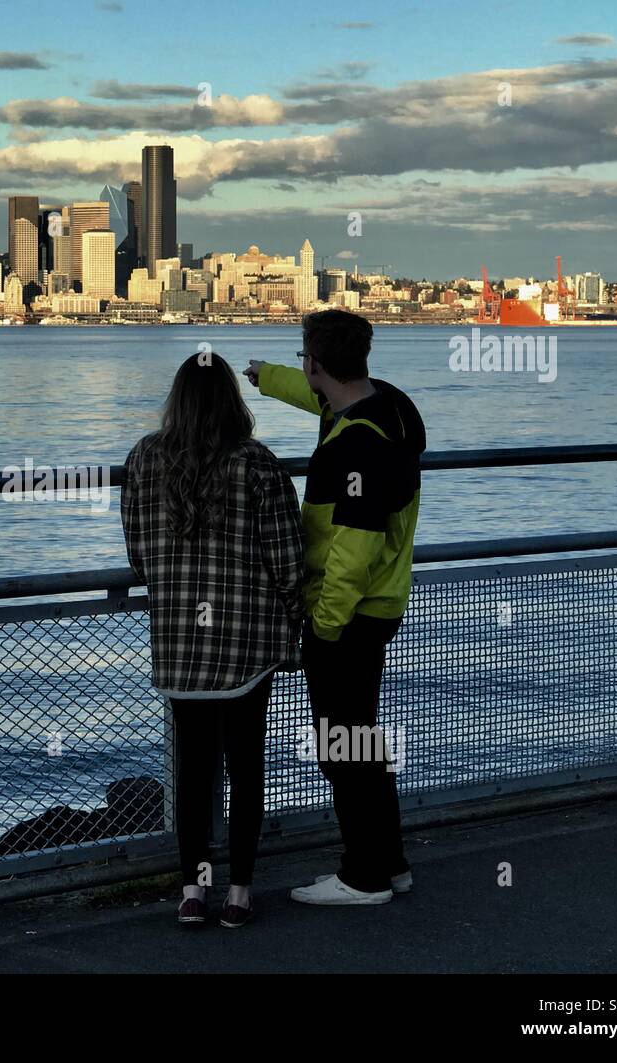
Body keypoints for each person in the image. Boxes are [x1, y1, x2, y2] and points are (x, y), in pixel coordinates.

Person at [244, 308, 426, 906]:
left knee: (341, 747)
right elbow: (319, 397)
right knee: (361, 742)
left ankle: (364, 876)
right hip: (378, 604)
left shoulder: (357, 449)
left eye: (304, 359)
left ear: (318, 361)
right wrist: (266, 376)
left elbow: (353, 547)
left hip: (347, 614)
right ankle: (388, 862)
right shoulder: (385, 406)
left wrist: (323, 626)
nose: (306, 371)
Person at [121, 351, 304, 929]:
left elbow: (137, 554)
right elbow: (288, 560)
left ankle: (192, 893)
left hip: (178, 640)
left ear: (177, 399)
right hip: (247, 641)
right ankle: (240, 894)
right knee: (245, 768)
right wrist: (301, 618)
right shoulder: (258, 464)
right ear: (232, 399)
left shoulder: (144, 458)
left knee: (193, 772)